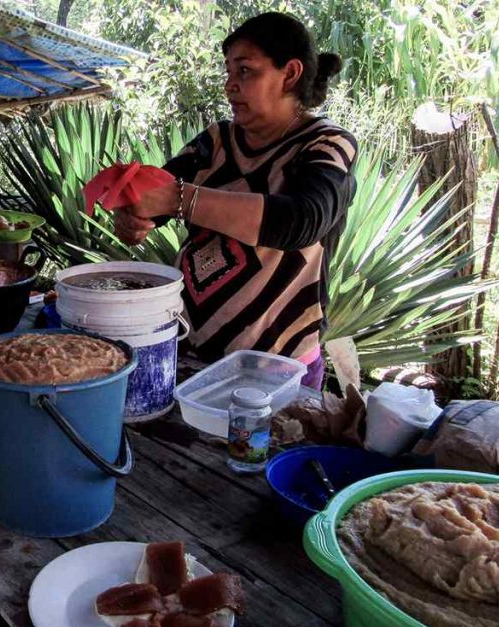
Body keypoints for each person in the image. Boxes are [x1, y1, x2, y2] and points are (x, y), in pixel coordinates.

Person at [114, 12, 356, 390]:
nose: (230, 86)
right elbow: (154, 198)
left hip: (278, 367)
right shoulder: (214, 141)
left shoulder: (324, 145)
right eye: (228, 71)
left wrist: (180, 200)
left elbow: (302, 221)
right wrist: (135, 216)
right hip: (189, 350)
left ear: (289, 74)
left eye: (245, 71)